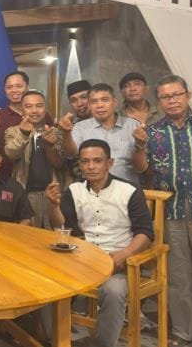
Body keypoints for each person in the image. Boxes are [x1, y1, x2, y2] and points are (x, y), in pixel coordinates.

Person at [132, 74, 192, 347]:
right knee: (177, 279)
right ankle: (185, 333)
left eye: (176, 94)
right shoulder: (152, 132)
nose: (171, 100)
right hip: (170, 214)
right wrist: (139, 146)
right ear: (158, 101)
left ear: (188, 95)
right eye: (165, 97)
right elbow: (142, 170)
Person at [47, 139, 154, 347]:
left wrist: (125, 254)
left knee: (113, 291)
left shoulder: (129, 191)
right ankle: (54, 340)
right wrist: (53, 206)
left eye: (97, 161)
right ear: (79, 164)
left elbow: (145, 233)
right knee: (46, 279)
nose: (91, 166)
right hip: (83, 260)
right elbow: (63, 228)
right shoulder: (74, 190)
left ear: (110, 163)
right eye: (85, 161)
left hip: (119, 263)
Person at [59, 83, 141, 185]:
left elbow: (142, 167)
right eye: (94, 102)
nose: (99, 105)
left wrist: (140, 144)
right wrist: (66, 133)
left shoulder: (133, 126)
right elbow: (71, 154)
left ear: (114, 102)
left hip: (128, 188)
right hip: (93, 189)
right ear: (89, 105)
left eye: (105, 100)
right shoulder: (80, 127)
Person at [4, 90, 64, 229]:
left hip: (53, 193)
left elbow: (60, 164)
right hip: (25, 192)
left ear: (45, 108)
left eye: (39, 106)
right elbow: (11, 153)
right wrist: (23, 134)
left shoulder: (56, 132)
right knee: (28, 235)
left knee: (54, 234)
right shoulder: (12, 131)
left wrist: (50, 146)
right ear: (21, 110)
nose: (34, 110)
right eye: (29, 106)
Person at [0, 71, 54, 180]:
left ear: (27, 87)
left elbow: (60, 159)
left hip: (45, 177)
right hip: (8, 176)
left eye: (18, 86)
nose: (14, 90)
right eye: (9, 87)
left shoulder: (44, 115)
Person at [62, 80, 92, 184]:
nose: (79, 104)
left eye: (84, 97)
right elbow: (63, 160)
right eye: (74, 100)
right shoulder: (68, 127)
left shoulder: (107, 122)